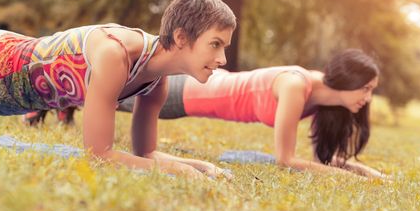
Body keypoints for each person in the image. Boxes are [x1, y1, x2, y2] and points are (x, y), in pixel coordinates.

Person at [0, 0, 236, 179]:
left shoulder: (156, 82)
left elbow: (147, 154)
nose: (222, 59)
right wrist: (175, 170)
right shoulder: (117, 55)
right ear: (181, 38)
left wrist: (199, 167)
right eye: (215, 44)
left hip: (6, 92)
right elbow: (99, 154)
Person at [119, 49, 386, 178]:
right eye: (365, 88)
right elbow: (286, 160)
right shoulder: (296, 85)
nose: (368, 98)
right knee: (112, 95)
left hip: (203, 91)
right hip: (189, 91)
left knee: (115, 96)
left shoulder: (325, 101)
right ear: (347, 81)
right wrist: (348, 179)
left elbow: (322, 161)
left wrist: (369, 174)